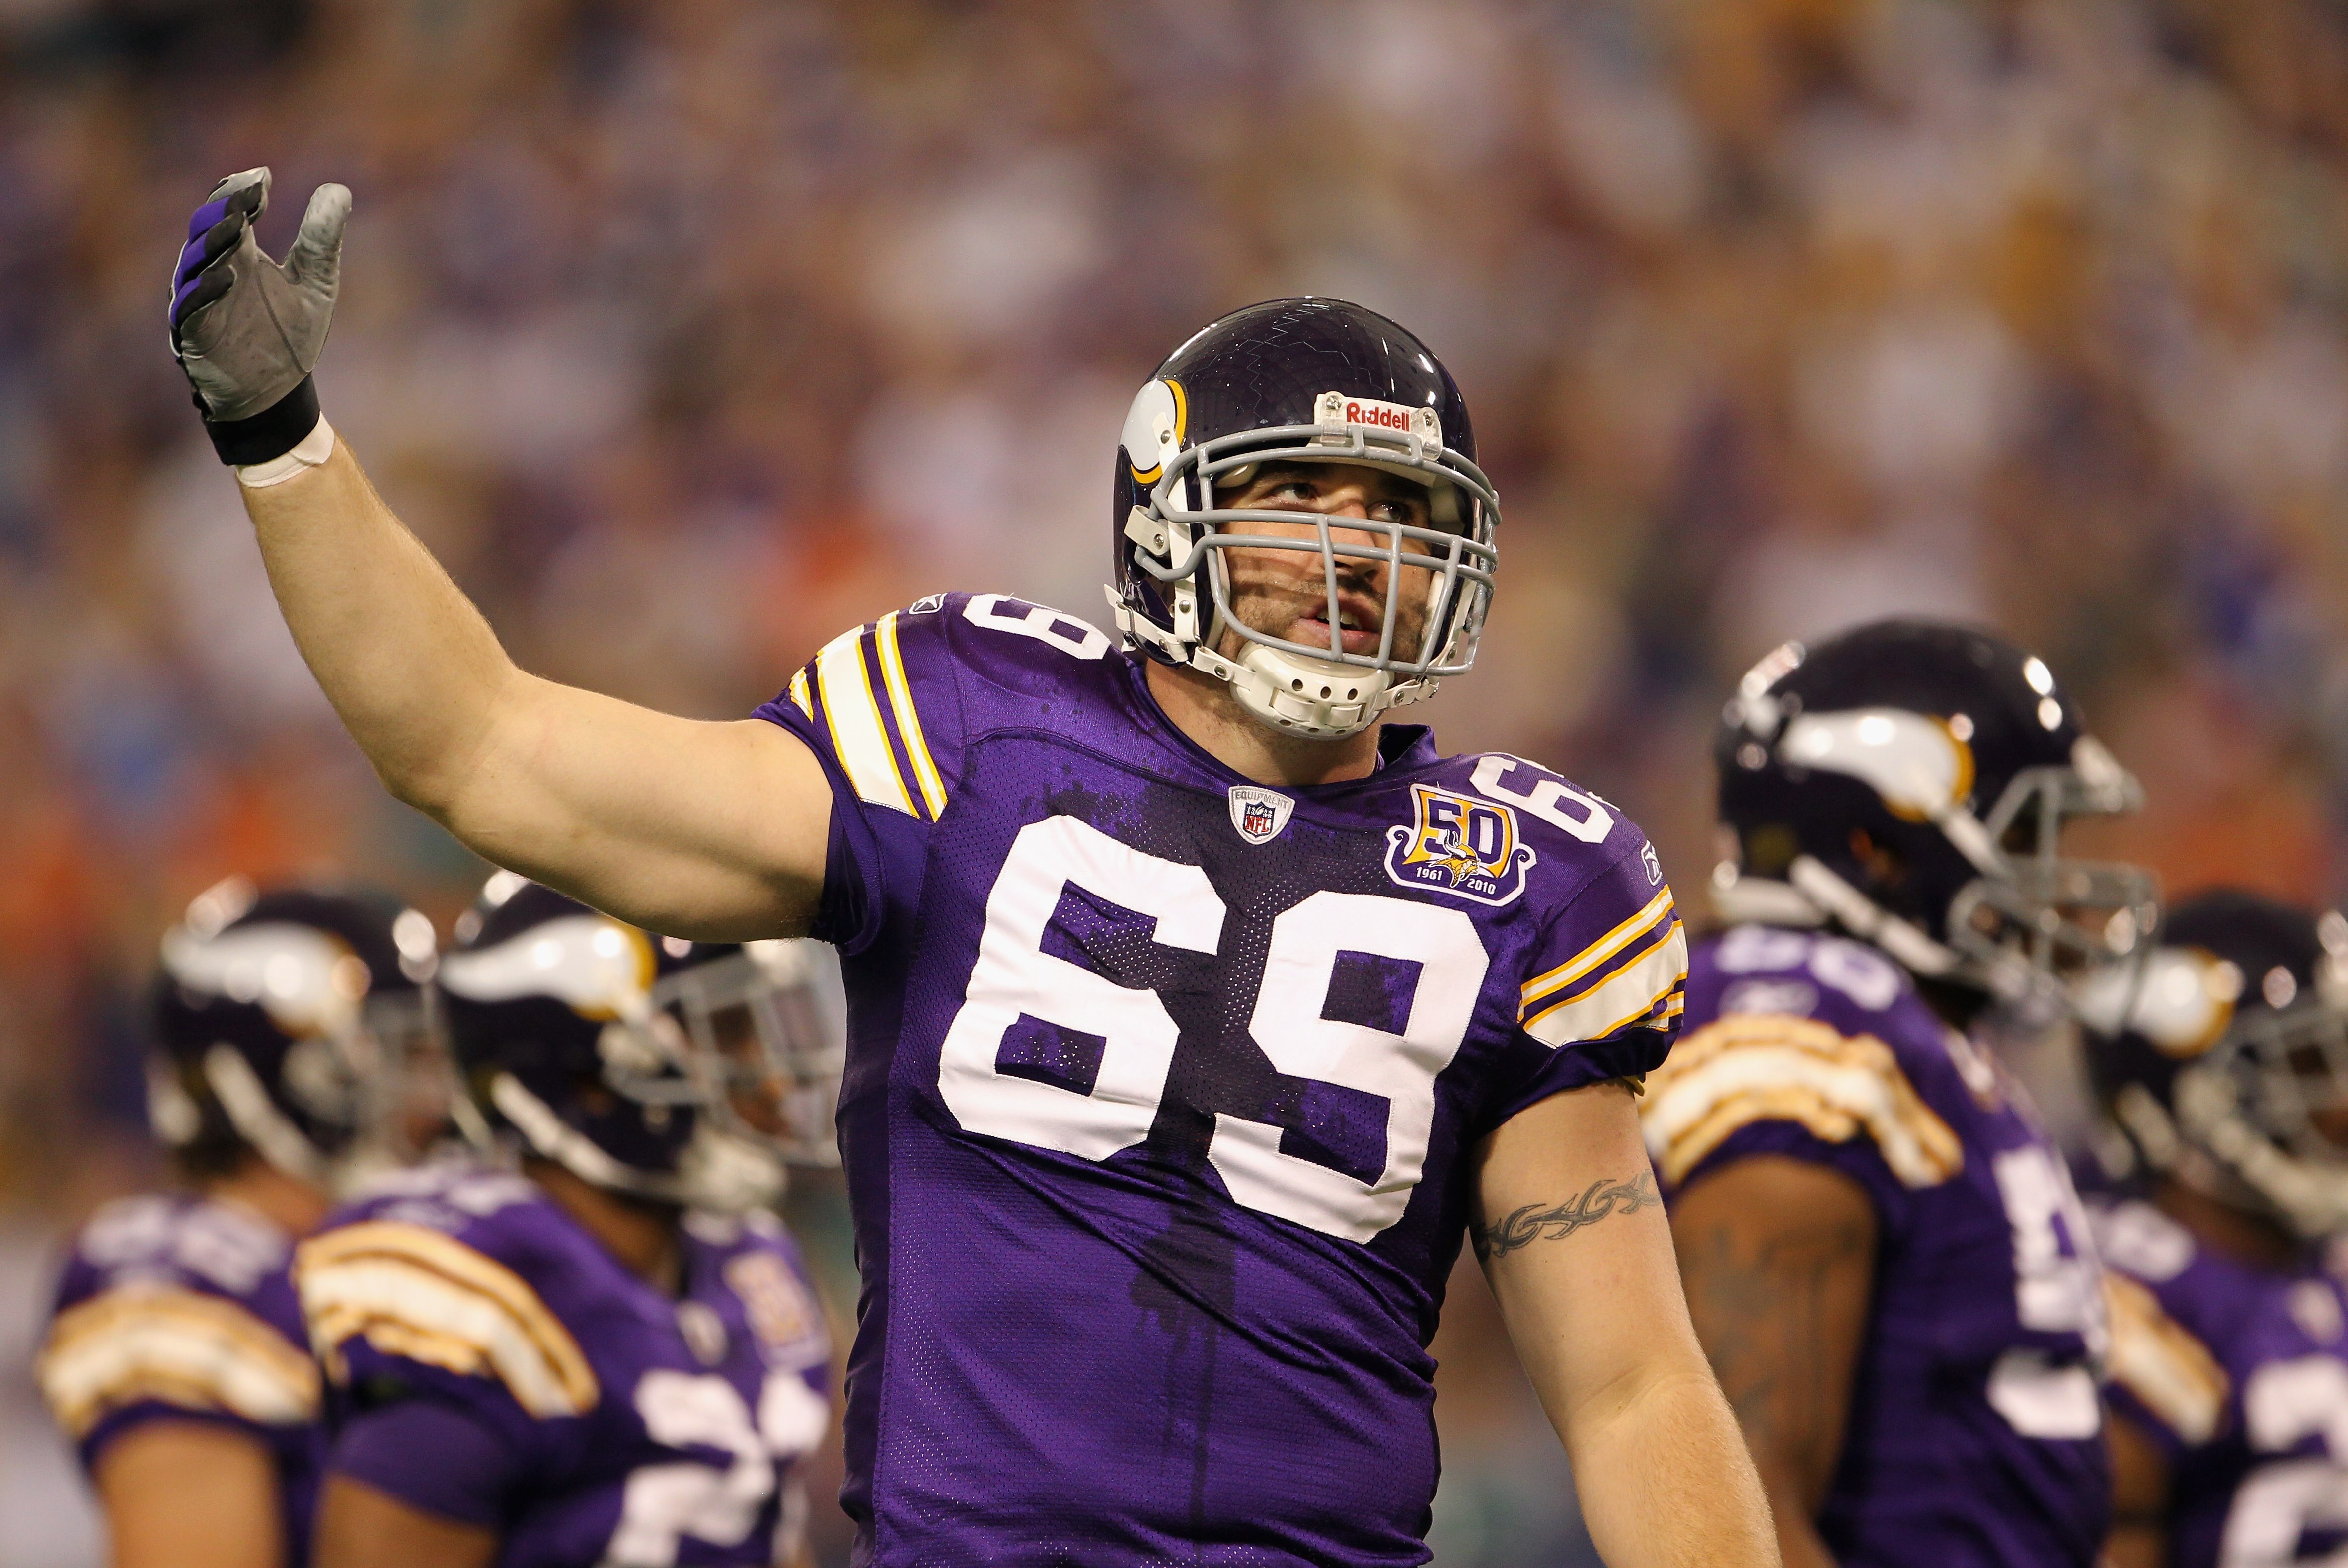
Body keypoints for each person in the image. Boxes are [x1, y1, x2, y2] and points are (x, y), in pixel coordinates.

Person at [166, 166, 1776, 1566]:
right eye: (1297, 493)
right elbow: (486, 751)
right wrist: (284, 443)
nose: (1352, 551)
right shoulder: (969, 726)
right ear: (1168, 513)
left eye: (1395, 507)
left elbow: (1630, 1380)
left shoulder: (1527, 874)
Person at [1639, 621, 2160, 1566]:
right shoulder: (1800, 1029)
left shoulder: (1909, 1035)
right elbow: (1734, 1508)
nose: (2053, 883)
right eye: (2024, 836)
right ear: (1879, 843)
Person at [295, 874, 836, 1568]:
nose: (771, 1078)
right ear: (592, 1077)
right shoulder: (477, 1292)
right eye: (728, 1033)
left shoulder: (746, 1260)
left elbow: (756, 1531)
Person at [35, 877, 441, 1568]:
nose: (431, 1102)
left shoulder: (355, 1260)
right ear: (291, 1078)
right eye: (401, 1061)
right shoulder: (186, 1280)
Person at [2079, 889, 2348, 1568]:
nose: (2341, 1100)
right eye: (2310, 1063)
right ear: (2197, 1101)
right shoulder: (2137, 1297)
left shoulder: (2316, 1266)